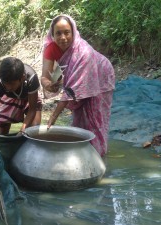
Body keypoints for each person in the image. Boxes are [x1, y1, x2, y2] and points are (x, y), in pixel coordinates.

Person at [41, 15, 115, 156]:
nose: (63, 37)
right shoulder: (50, 48)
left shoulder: (83, 52)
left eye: (67, 32)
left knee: (96, 118)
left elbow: (70, 92)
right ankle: (81, 154)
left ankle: (99, 156)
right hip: (77, 82)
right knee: (79, 118)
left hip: (101, 78)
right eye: (58, 33)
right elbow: (44, 76)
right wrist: (48, 84)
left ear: (73, 32)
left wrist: (53, 117)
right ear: (53, 34)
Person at [0, 57, 42, 135]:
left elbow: (32, 110)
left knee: (34, 128)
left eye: (12, 84)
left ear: (22, 78)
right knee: (3, 129)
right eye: (6, 84)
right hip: (9, 97)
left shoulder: (31, 78)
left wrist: (21, 132)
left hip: (29, 98)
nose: (8, 87)